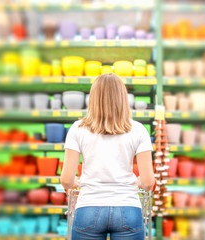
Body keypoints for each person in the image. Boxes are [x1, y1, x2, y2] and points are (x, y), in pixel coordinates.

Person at [61, 73, 155, 240]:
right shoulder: (139, 130)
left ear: (93, 98)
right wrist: (136, 182)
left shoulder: (77, 129)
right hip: (128, 208)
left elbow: (67, 180)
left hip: (88, 208)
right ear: (123, 98)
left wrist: (79, 182)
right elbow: (148, 183)